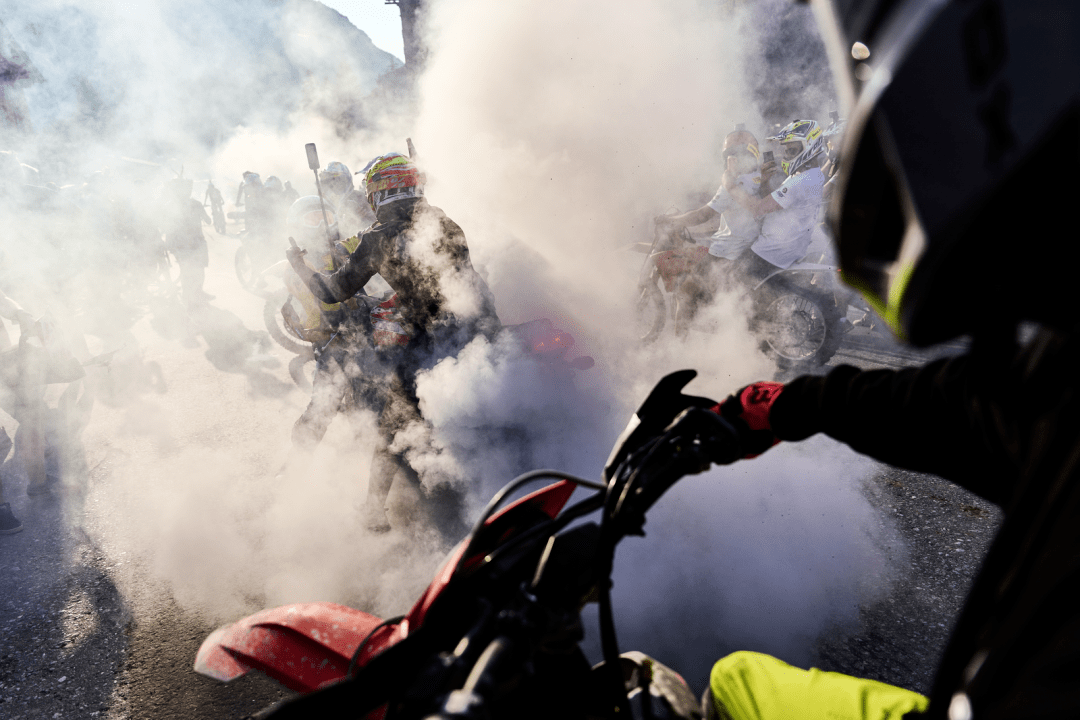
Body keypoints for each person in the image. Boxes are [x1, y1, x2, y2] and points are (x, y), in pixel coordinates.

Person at [665, 0, 1080, 718]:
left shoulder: (786, 184)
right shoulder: (1062, 375)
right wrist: (796, 403)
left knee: (729, 684)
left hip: (771, 262)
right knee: (737, 679)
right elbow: (993, 407)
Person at [287, 152, 499, 535]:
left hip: (431, 341)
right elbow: (441, 280)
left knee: (392, 421)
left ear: (380, 193)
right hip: (483, 328)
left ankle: (374, 511)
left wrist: (300, 265)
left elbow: (334, 291)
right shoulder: (443, 220)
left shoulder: (379, 238)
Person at [159, 178, 212, 306]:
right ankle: (191, 296)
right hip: (188, 244)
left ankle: (193, 294)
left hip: (189, 243)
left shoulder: (169, 205)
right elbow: (208, 220)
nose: (188, 191)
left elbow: (164, 227)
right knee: (194, 269)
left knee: (192, 269)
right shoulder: (195, 204)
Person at [318, 160, 374, 239]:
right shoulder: (323, 206)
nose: (334, 185)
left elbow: (375, 224)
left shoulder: (361, 198)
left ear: (347, 180)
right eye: (329, 181)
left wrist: (356, 222)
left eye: (338, 180)